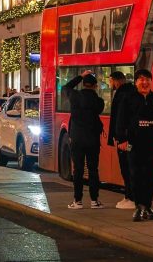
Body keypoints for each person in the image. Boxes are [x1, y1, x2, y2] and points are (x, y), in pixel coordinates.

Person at [114, 68, 153, 222]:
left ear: (151, 82)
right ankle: (139, 207)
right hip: (134, 145)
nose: (144, 83)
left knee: (151, 177)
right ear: (136, 82)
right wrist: (122, 140)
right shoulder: (128, 99)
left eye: (147, 80)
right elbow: (120, 120)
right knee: (136, 176)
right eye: (141, 79)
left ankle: (148, 206)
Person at [63, 70, 105, 210]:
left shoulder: (74, 96)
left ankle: (78, 201)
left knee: (78, 170)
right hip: (92, 139)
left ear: (83, 84)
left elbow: (66, 87)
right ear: (95, 86)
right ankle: (94, 200)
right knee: (93, 169)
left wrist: (80, 76)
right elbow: (98, 112)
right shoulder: (98, 101)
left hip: (77, 138)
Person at [107, 70, 137, 209]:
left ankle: (131, 197)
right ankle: (128, 196)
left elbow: (121, 118)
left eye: (110, 80)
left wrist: (121, 137)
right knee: (126, 168)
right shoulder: (128, 91)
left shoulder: (124, 94)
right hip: (124, 137)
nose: (110, 83)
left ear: (116, 81)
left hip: (125, 139)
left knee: (126, 168)